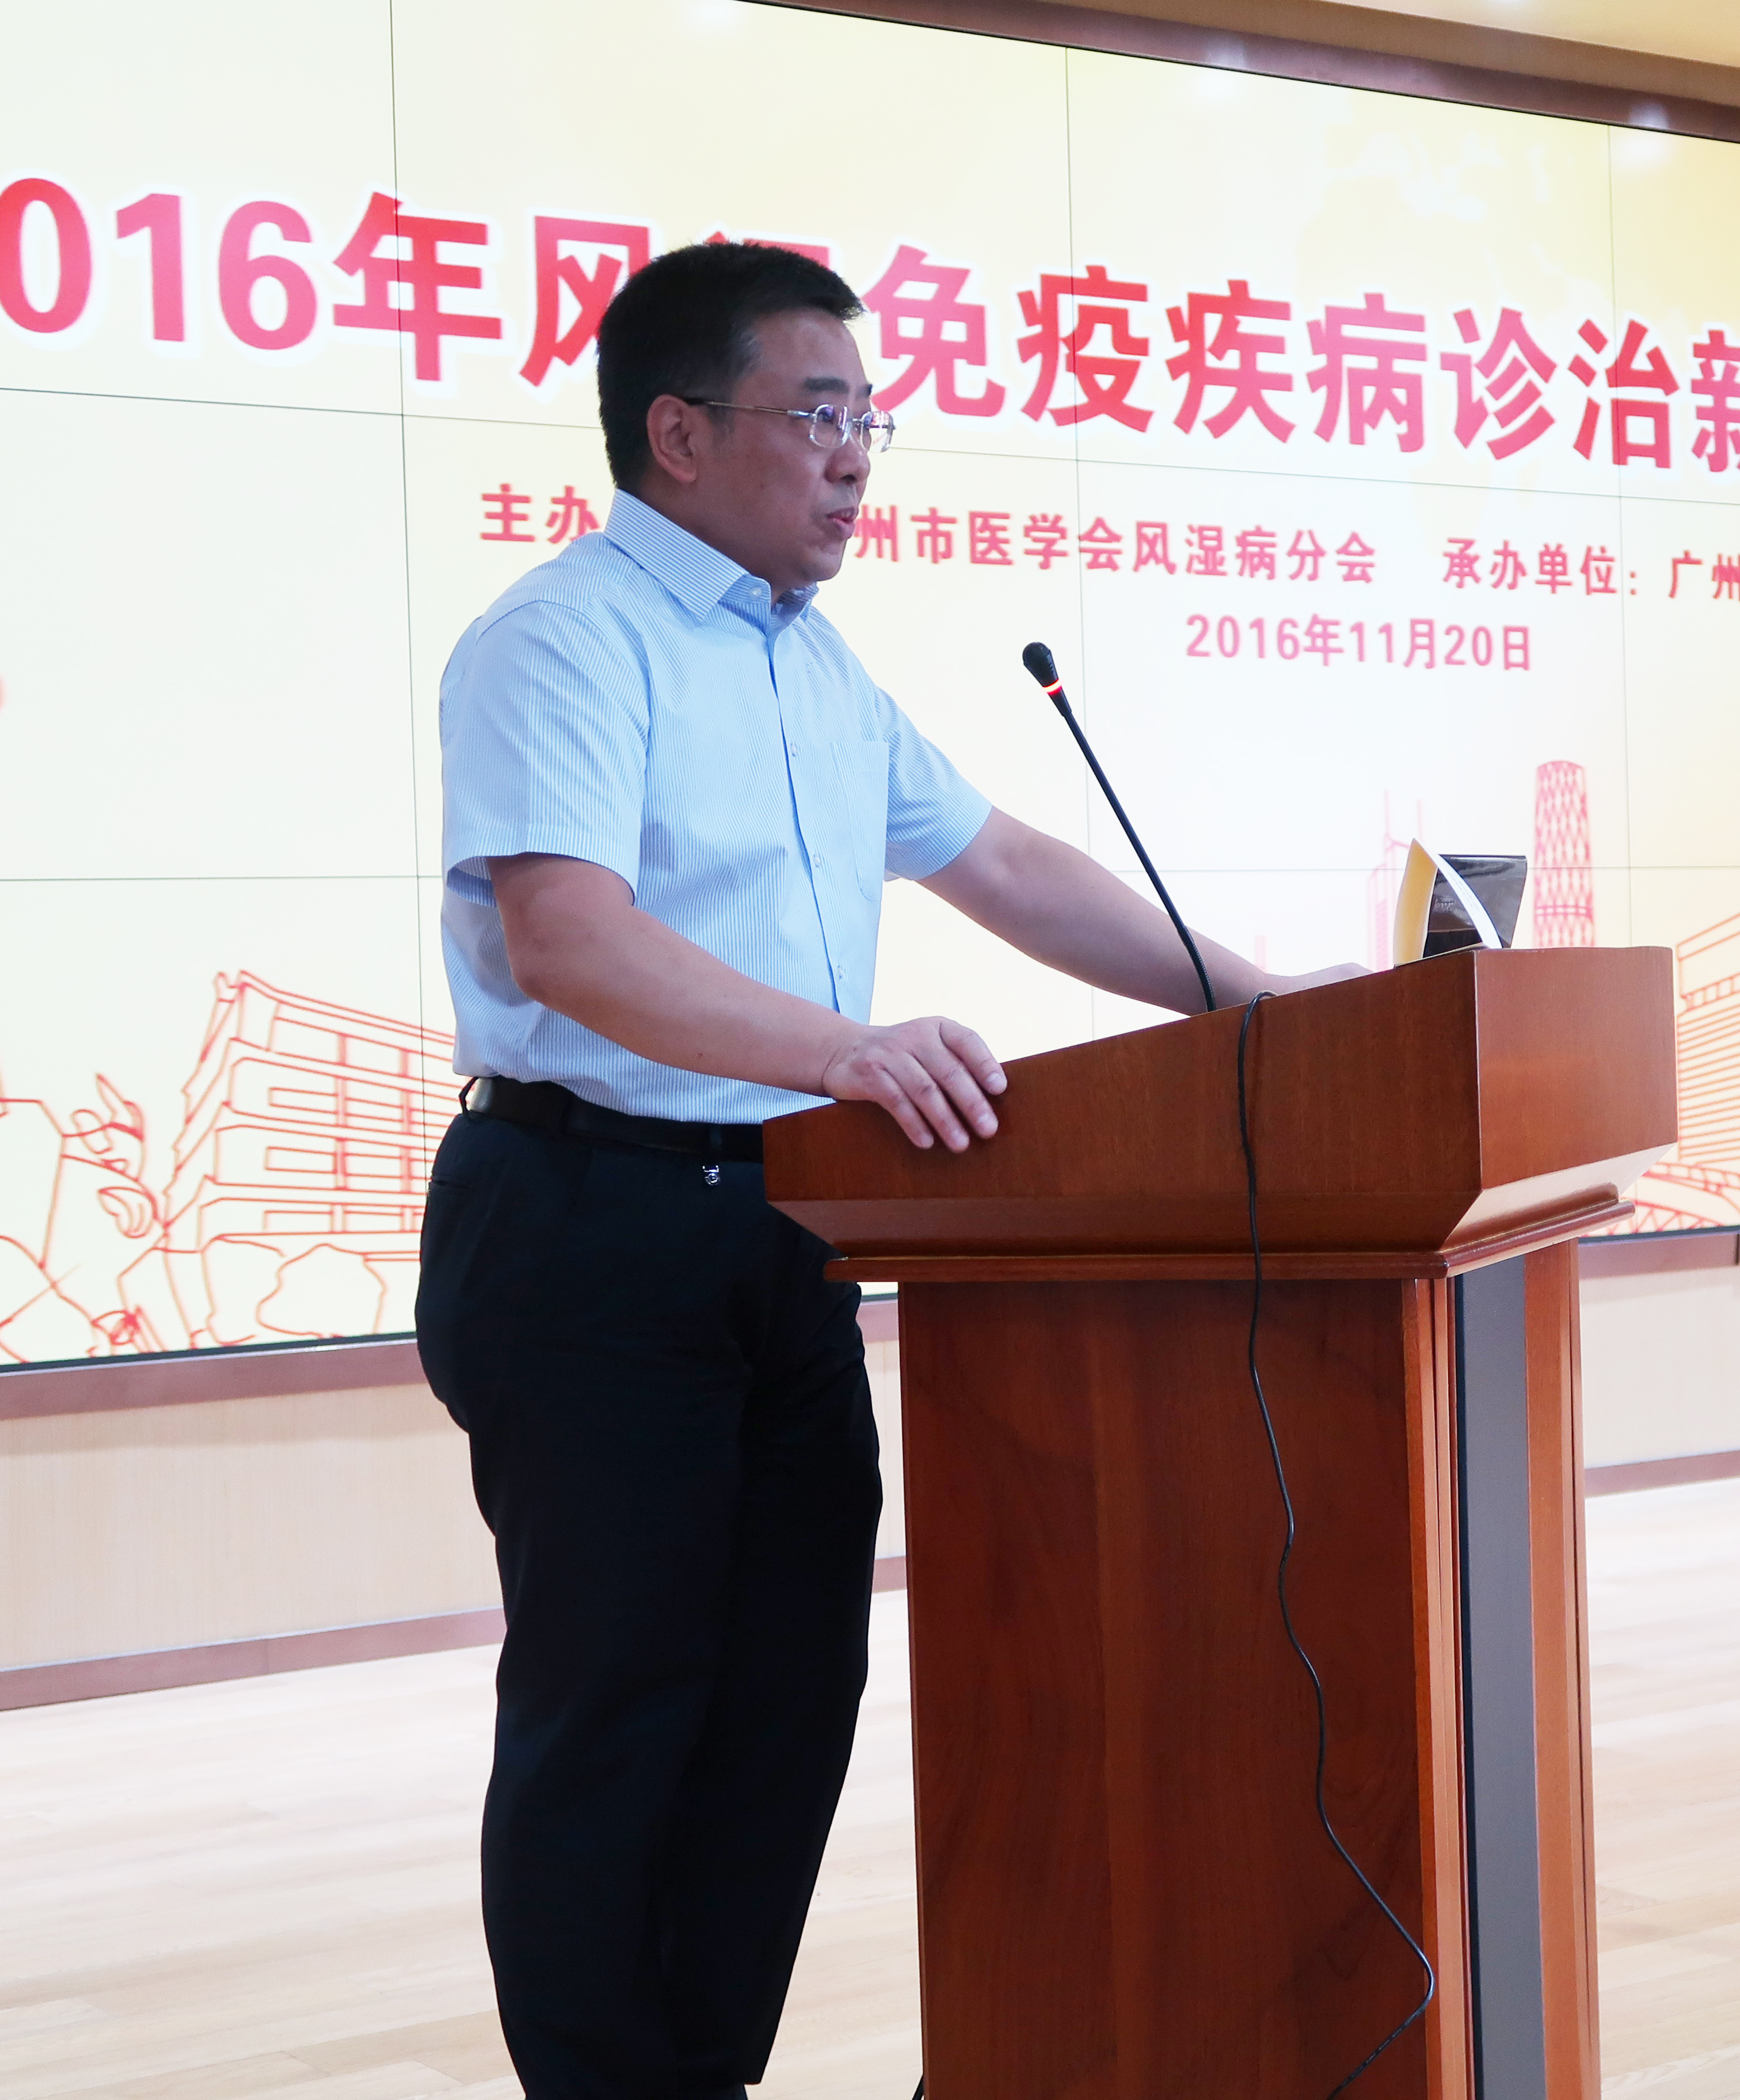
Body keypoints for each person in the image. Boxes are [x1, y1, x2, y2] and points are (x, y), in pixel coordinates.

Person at [414, 240, 1350, 2100]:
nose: (856, 455)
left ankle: (701, 2074)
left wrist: (1264, 1003)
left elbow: (1002, 868)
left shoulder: (815, 665)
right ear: (681, 433)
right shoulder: (565, 638)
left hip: (785, 1229)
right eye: (819, 413)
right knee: (619, 1705)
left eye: (871, 418)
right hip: (588, 1222)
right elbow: (569, 942)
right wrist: (843, 1050)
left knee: (784, 1699)